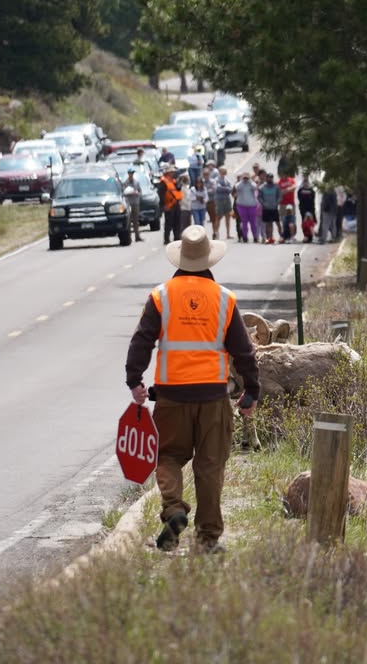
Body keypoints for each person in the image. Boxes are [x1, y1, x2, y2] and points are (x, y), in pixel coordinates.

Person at [125, 227, 260, 554]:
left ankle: (174, 511)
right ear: (209, 259)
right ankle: (208, 539)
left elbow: (142, 340)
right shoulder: (225, 299)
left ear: (180, 258)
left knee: (167, 456)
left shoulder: (161, 296)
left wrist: (135, 381)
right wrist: (251, 392)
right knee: (211, 465)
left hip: (171, 397)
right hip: (213, 398)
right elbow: (244, 352)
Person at [160, 166, 185, 244]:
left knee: (177, 222)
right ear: (167, 173)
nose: (173, 173)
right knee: (168, 223)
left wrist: (180, 182)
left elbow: (178, 189)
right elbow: (161, 194)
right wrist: (164, 205)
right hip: (169, 205)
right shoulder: (163, 182)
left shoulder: (173, 181)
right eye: (171, 172)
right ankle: (166, 239)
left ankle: (177, 237)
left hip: (176, 204)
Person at [234, 171, 260, 243]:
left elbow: (255, 187)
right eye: (244, 178)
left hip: (252, 205)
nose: (245, 179)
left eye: (247, 178)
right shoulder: (240, 184)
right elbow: (237, 187)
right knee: (244, 222)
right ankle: (245, 237)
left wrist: (250, 181)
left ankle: (255, 236)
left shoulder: (251, 183)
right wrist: (242, 181)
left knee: (253, 223)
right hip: (242, 205)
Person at [257, 170, 281, 244]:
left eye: (271, 177)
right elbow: (259, 197)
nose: (269, 179)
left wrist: (277, 203)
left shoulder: (276, 186)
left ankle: (282, 236)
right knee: (268, 223)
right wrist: (263, 203)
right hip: (266, 208)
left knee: (278, 223)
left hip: (274, 207)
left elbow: (279, 196)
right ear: (266, 178)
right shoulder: (262, 187)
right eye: (268, 177)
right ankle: (270, 238)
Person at [211, 167, 234, 240]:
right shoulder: (216, 180)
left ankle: (228, 234)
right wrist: (226, 189)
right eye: (223, 171)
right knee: (218, 216)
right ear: (220, 171)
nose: (224, 172)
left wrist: (225, 188)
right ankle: (216, 232)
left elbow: (231, 189)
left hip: (227, 199)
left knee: (228, 216)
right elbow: (217, 188)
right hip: (219, 200)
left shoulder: (227, 180)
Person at [122, 168, 144, 243]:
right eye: (130, 173)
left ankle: (137, 236)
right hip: (128, 203)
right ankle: (129, 237)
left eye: (132, 173)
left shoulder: (136, 182)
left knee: (136, 221)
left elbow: (141, 192)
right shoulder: (125, 183)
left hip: (135, 203)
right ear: (128, 174)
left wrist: (137, 193)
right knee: (128, 221)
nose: (131, 174)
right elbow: (123, 193)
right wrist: (129, 193)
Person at [276, 174, 297, 243]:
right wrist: (287, 190)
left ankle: (292, 236)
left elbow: (294, 187)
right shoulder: (279, 182)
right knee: (283, 221)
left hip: (291, 203)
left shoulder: (291, 180)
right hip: (282, 204)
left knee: (292, 221)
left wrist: (286, 190)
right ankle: (284, 235)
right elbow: (279, 192)